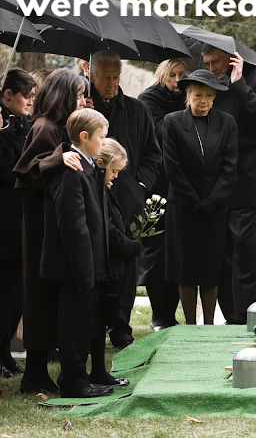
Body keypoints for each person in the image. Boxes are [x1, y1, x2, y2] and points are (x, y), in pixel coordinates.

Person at [13, 68, 87, 395]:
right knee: (40, 295)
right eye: (78, 95)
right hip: (41, 227)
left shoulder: (59, 127)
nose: (83, 101)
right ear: (63, 96)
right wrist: (62, 156)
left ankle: (38, 371)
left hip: (52, 223)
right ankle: (34, 374)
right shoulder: (45, 127)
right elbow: (29, 170)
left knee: (47, 296)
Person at [88, 51, 162, 349]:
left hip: (129, 200)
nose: (111, 83)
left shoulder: (137, 109)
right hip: (93, 197)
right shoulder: (85, 108)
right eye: (105, 77)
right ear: (92, 76)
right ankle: (95, 325)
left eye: (115, 77)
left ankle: (121, 326)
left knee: (128, 265)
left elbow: (153, 155)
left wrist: (138, 186)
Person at [201, 45, 256, 325]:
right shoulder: (214, 83)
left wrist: (239, 85)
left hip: (247, 181)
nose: (211, 69)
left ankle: (247, 315)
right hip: (217, 181)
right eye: (207, 64)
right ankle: (231, 316)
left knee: (243, 251)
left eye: (215, 63)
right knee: (223, 252)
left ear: (232, 59)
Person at [41, 108, 112, 398]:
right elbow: (73, 226)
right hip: (74, 266)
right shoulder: (71, 172)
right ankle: (72, 382)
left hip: (88, 264)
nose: (104, 143)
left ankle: (81, 377)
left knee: (84, 323)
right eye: (101, 137)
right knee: (74, 324)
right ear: (84, 137)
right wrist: (84, 270)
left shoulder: (88, 166)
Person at [162, 70, 238, 325]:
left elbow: (230, 167)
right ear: (188, 95)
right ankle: (190, 325)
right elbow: (172, 167)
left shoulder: (227, 122)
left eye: (208, 95)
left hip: (215, 208)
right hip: (183, 208)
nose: (203, 101)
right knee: (185, 268)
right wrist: (193, 201)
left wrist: (212, 201)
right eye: (197, 95)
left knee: (210, 267)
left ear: (214, 96)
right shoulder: (172, 122)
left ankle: (208, 324)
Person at [138, 58, 191, 331]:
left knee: (177, 251)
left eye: (182, 74)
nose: (178, 80)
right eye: (172, 75)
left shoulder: (188, 98)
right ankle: (159, 315)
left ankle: (171, 314)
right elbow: (156, 136)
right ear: (162, 75)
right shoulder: (149, 100)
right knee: (156, 252)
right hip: (156, 186)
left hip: (181, 185)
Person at [90, 138, 142, 388]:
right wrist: (129, 246)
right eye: (114, 171)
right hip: (97, 264)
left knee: (101, 319)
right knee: (97, 319)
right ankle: (93, 372)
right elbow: (106, 227)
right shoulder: (94, 186)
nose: (116, 177)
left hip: (106, 264)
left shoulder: (102, 187)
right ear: (101, 164)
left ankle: (99, 370)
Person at [0, 69, 35, 378]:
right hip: (3, 221)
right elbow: (9, 166)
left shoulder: (24, 123)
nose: (30, 102)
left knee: (15, 297)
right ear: (8, 94)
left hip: (20, 221)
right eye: (26, 96)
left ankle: (6, 352)